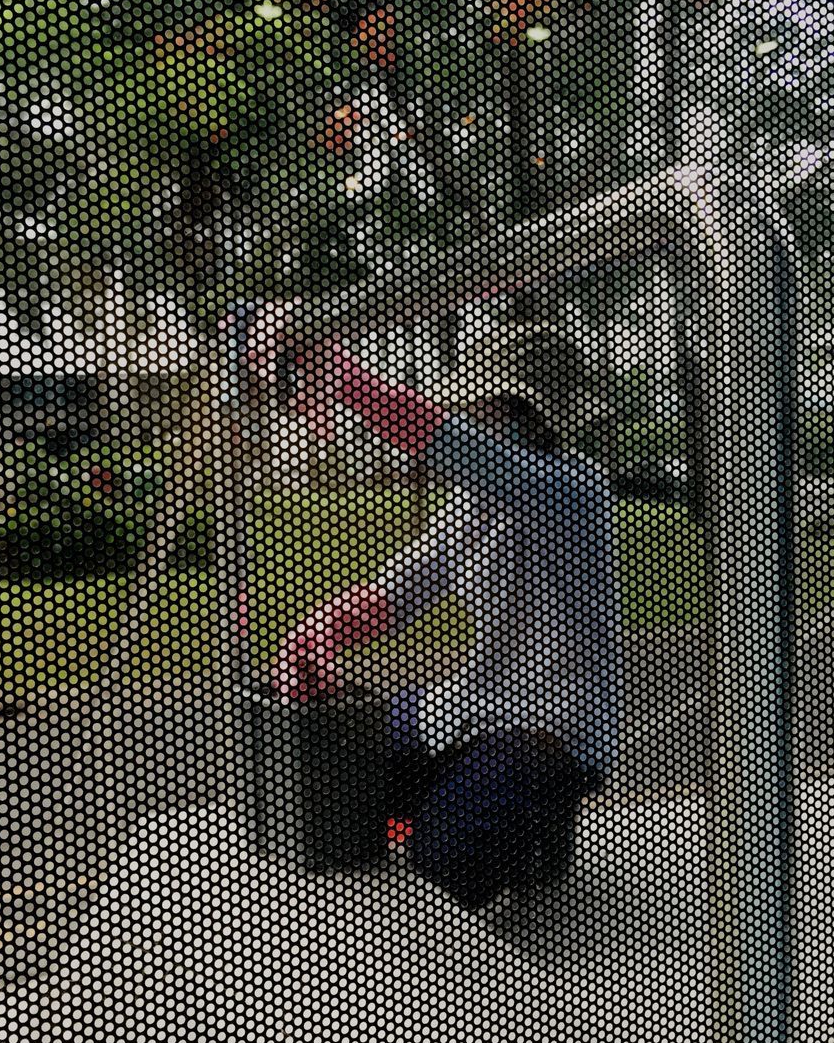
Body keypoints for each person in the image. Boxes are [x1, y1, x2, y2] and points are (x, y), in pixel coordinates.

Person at [252, 311, 621, 909]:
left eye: (512, 412)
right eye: (489, 408)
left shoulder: (573, 491)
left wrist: (340, 373)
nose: (493, 422)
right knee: (350, 767)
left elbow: (429, 435)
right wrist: (319, 631)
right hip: (473, 702)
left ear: (544, 422)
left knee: (441, 863)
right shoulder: (467, 507)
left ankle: (517, 835)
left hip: (548, 730)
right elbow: (392, 596)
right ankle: (477, 817)